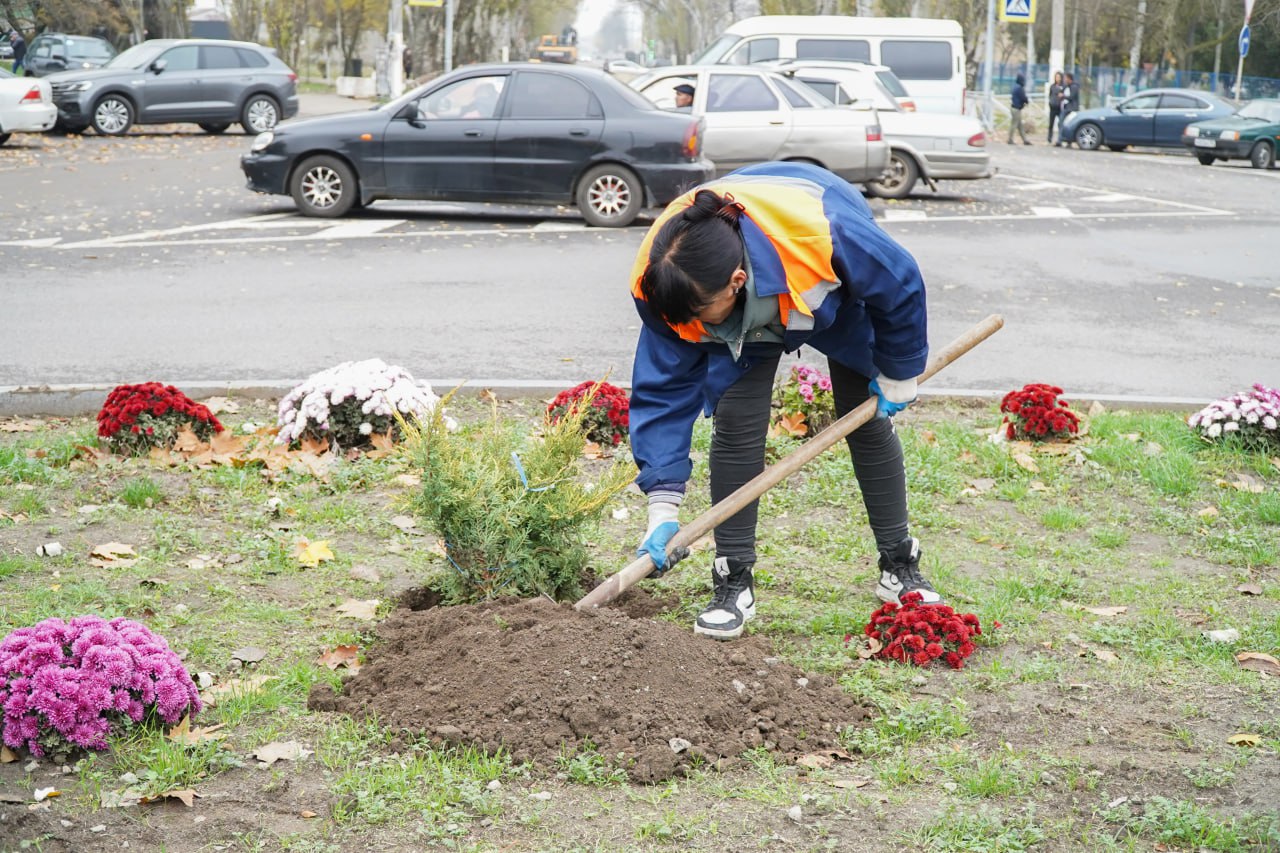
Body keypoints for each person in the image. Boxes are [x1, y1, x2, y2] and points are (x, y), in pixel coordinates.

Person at [629, 161, 939, 641]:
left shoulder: (825, 233)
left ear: (735, 281)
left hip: (822, 288)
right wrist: (662, 506)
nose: (694, 327)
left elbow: (898, 282)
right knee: (735, 425)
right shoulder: (666, 283)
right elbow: (663, 391)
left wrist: (899, 370)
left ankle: (899, 561)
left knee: (866, 418)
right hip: (742, 302)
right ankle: (733, 577)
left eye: (699, 314)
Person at [1008, 72, 1031, 145]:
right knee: (1014, 124)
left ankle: (1025, 140)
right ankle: (1010, 139)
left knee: (1019, 125)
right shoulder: (1019, 88)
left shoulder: (1015, 87)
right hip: (1016, 108)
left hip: (1014, 108)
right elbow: (1023, 97)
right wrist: (1026, 101)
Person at [1057, 72, 1079, 147]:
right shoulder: (1066, 86)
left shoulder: (1074, 87)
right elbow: (1061, 91)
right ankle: (1060, 140)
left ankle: (1068, 141)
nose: (1065, 80)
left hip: (1072, 108)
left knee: (1069, 124)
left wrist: (1063, 96)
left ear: (1069, 79)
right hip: (1066, 107)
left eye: (1066, 78)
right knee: (1061, 123)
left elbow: (1071, 97)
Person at [1047, 71, 1063, 143]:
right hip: (1053, 107)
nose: (1058, 79)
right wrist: (1050, 102)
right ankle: (1049, 138)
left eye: (1059, 77)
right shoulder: (1052, 86)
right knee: (1051, 123)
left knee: (1060, 123)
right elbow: (1050, 95)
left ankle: (1060, 138)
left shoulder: (1063, 86)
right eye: (1056, 77)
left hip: (1060, 108)